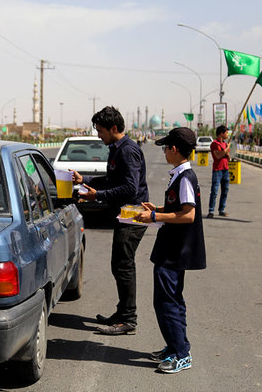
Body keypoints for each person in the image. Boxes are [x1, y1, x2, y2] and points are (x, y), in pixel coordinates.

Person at [70, 106, 149, 335]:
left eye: (101, 131)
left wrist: (98, 195)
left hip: (133, 215)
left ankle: (128, 319)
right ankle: (122, 312)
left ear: (114, 128)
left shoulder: (128, 151)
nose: (99, 135)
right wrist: (84, 179)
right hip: (123, 214)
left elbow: (130, 187)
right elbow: (112, 178)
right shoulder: (116, 149)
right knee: (119, 265)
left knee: (124, 266)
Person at [134, 127, 206, 374]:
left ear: (175, 150)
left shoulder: (185, 177)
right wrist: (160, 209)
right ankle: (175, 346)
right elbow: (180, 206)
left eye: (166, 148)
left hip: (175, 251)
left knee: (167, 302)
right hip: (172, 248)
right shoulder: (181, 175)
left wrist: (154, 216)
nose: (164, 151)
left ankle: (182, 355)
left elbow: (189, 214)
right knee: (171, 299)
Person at [207, 125, 230, 218]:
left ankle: (222, 209)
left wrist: (227, 152)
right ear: (221, 133)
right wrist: (226, 149)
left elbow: (228, 157)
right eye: (226, 133)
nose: (227, 134)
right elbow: (218, 156)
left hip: (225, 169)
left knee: (225, 191)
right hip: (217, 170)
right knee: (215, 191)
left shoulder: (225, 144)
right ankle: (211, 210)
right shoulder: (215, 144)